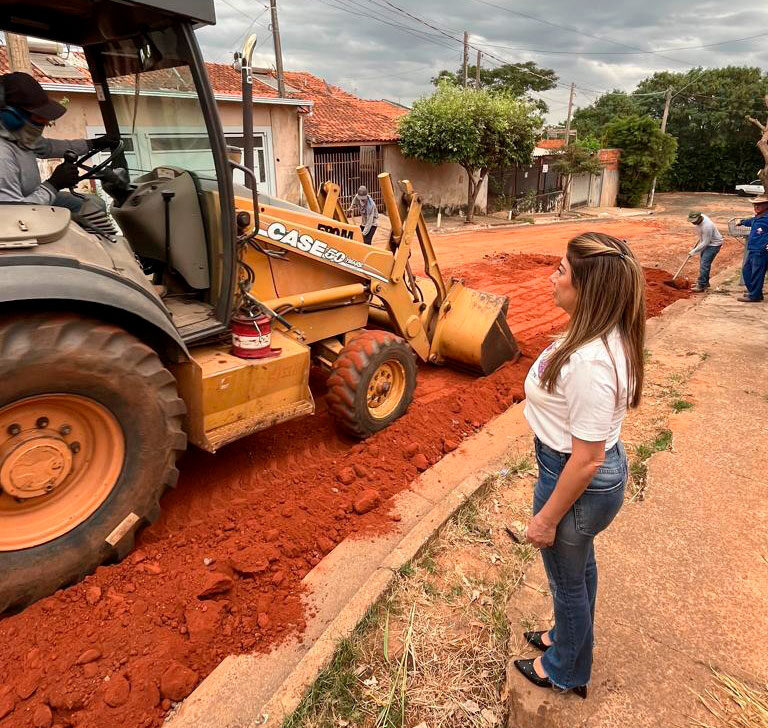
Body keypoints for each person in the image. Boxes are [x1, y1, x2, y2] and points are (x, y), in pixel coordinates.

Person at [514, 232, 645, 699]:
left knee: (566, 579)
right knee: (579, 567)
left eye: (561, 270)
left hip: (574, 478)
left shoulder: (590, 361)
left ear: (587, 288)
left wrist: (546, 518)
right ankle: (565, 638)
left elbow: (586, 459)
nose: (552, 276)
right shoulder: (595, 335)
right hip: (576, 472)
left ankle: (566, 669)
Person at [0, 72, 117, 211]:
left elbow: (49, 147)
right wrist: (54, 184)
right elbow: (14, 213)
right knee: (89, 210)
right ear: (10, 116)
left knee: (95, 204)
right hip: (22, 217)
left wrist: (92, 144)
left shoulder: (18, 137)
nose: (46, 121)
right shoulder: (3, 155)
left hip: (34, 199)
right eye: (39, 117)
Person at [736, 195, 768, 303]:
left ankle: (754, 295)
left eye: (759, 204)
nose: (756, 206)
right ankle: (755, 292)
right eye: (755, 204)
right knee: (747, 270)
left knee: (757, 273)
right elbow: (751, 221)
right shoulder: (758, 217)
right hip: (753, 249)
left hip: (761, 250)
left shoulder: (766, 218)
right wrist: (742, 222)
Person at [686, 210, 723, 292]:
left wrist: (694, 251)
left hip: (713, 244)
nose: (693, 223)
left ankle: (701, 285)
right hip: (706, 242)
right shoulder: (700, 217)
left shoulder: (707, 226)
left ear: (699, 218)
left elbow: (706, 242)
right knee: (704, 263)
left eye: (694, 221)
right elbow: (704, 240)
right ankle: (704, 282)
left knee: (704, 264)